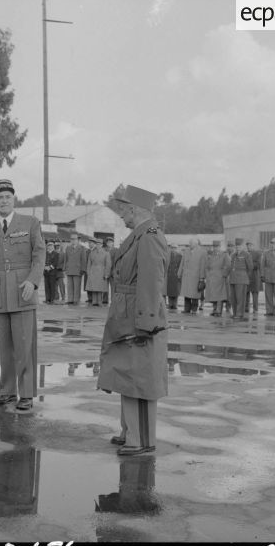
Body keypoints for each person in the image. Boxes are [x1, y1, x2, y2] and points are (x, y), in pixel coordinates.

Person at [98, 185, 168, 456]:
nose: (121, 216)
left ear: (136, 210)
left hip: (139, 315)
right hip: (127, 311)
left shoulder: (149, 236)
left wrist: (147, 323)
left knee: (138, 377)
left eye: (124, 210)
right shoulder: (139, 234)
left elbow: (151, 282)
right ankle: (130, 431)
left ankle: (141, 440)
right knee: (127, 374)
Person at [0, 179, 45, 412]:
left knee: (24, 344)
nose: (4, 201)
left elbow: (39, 256)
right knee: (4, 346)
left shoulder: (30, 223)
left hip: (22, 290)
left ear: (14, 199)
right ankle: (7, 391)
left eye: (7, 196)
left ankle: (26, 394)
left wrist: (33, 282)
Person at [177, 238, 206, 314]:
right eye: (190, 243)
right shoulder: (186, 251)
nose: (190, 245)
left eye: (191, 244)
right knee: (186, 294)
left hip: (196, 277)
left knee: (195, 295)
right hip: (186, 276)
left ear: (196, 244)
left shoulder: (202, 252)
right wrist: (179, 273)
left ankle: (194, 309)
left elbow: (203, 266)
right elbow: (182, 262)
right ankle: (186, 309)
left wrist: (202, 278)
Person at [228, 238, 253, 320]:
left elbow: (250, 267)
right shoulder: (233, 255)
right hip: (233, 279)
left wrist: (244, 277)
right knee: (233, 298)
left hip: (241, 279)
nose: (238, 247)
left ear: (242, 246)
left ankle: (239, 314)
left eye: (239, 245)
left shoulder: (246, 255)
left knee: (240, 298)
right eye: (237, 245)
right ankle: (235, 313)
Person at [205, 240, 230, 317]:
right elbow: (207, 266)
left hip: (220, 277)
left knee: (220, 295)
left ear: (220, 247)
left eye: (217, 246)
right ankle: (215, 309)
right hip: (212, 278)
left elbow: (228, 265)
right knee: (213, 295)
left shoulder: (224, 255)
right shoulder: (211, 255)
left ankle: (219, 311)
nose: (215, 248)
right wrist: (208, 276)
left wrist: (224, 274)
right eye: (214, 247)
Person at [85, 238, 111, 306]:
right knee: (93, 287)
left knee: (100, 288)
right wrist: (88, 272)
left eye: (99, 244)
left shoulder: (106, 253)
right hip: (93, 271)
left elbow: (108, 265)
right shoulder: (92, 253)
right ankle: (94, 301)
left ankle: (99, 301)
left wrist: (106, 274)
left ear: (102, 245)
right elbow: (89, 263)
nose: (98, 245)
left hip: (101, 272)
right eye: (97, 244)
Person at [64, 233, 87, 305]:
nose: (73, 241)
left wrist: (83, 269)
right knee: (69, 286)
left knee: (77, 286)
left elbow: (83, 260)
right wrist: (65, 268)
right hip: (69, 269)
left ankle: (76, 300)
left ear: (78, 240)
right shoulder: (68, 248)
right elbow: (66, 259)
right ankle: (70, 299)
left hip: (78, 270)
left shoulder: (82, 248)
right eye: (72, 239)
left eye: (74, 239)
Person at [245, 241, 263, 314]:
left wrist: (249, 264)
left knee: (255, 294)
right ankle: (246, 308)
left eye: (250, 245)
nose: (248, 247)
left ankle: (255, 309)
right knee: (246, 293)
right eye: (247, 245)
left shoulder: (258, 254)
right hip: (246, 276)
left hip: (255, 276)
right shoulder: (245, 254)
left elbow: (258, 264)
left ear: (253, 246)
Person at [165, 244, 181, 311]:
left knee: (176, 291)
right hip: (169, 275)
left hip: (176, 275)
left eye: (175, 248)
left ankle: (175, 304)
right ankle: (170, 304)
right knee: (169, 291)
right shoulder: (168, 256)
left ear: (177, 248)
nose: (173, 249)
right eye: (172, 248)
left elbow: (180, 266)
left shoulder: (180, 256)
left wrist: (179, 274)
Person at [102, 237, 117, 305]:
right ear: (106, 243)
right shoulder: (104, 250)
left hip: (113, 271)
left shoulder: (116, 250)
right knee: (105, 286)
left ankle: (113, 300)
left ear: (113, 243)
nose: (109, 243)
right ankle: (104, 300)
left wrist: (115, 270)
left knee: (113, 287)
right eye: (108, 242)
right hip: (105, 271)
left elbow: (117, 261)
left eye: (111, 242)